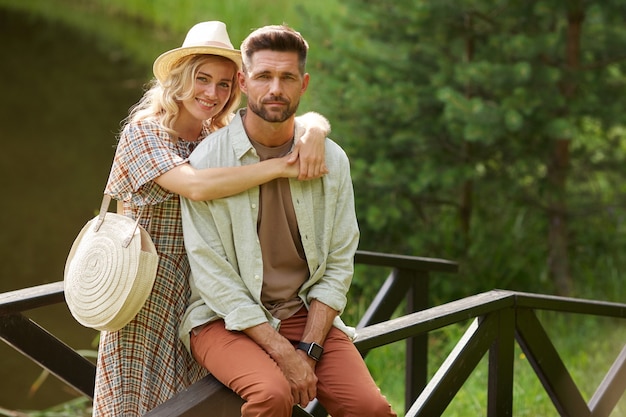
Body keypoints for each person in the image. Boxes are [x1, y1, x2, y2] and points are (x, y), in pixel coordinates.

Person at [92, 21, 331, 417]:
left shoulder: (215, 137)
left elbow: (286, 119)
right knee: (134, 407)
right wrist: (279, 169)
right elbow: (196, 186)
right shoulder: (144, 134)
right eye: (202, 79)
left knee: (195, 405)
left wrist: (316, 131)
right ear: (180, 79)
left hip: (202, 299)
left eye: (224, 84)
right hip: (144, 298)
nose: (212, 93)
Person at [179, 24, 397, 417]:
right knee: (272, 395)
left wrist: (310, 347)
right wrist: (283, 353)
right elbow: (212, 275)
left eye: (287, 77)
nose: (275, 88)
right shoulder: (208, 162)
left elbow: (338, 262)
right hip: (223, 319)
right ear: (244, 82)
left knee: (371, 409)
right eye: (264, 76)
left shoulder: (331, 160)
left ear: (304, 84)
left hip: (303, 314)